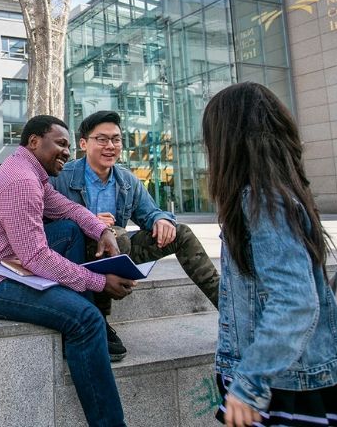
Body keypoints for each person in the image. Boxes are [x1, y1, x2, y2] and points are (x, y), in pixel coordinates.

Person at [202, 82, 337, 427]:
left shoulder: (262, 201)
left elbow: (295, 301)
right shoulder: (280, 193)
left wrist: (249, 383)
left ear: (228, 142)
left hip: (289, 387)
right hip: (297, 375)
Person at [0, 115, 133, 427]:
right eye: (60, 143)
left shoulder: (28, 173)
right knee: (85, 321)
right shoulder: (20, 181)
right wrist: (100, 281)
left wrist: (103, 232)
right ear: (34, 142)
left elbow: (69, 209)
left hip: (2, 266)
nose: (67, 152)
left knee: (71, 229)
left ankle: (77, 330)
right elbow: (36, 257)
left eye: (69, 146)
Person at [52, 110, 220, 362]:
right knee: (116, 235)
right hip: (73, 256)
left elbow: (150, 213)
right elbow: (45, 225)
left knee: (180, 233)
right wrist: (88, 222)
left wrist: (162, 219)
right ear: (84, 143)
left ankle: (230, 313)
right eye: (102, 139)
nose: (111, 146)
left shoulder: (127, 181)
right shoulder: (62, 177)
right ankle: (97, 320)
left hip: (116, 253)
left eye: (116, 139)